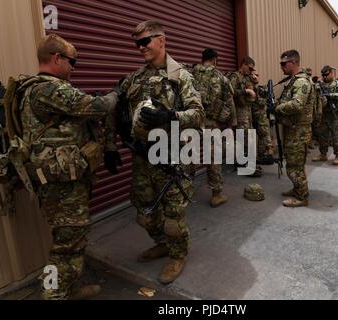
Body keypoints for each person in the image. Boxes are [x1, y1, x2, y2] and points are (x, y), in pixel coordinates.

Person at [19, 34, 119, 300]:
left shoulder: (42, 89)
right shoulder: (47, 88)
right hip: (61, 184)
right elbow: (97, 107)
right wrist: (115, 95)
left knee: (69, 237)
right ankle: (53, 293)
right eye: (71, 61)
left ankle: (70, 287)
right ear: (56, 58)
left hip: (64, 179)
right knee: (66, 245)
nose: (74, 67)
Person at [106, 20, 204, 285]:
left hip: (173, 158)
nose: (140, 48)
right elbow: (114, 109)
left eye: (145, 41)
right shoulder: (135, 78)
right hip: (142, 157)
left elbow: (198, 114)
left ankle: (177, 254)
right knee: (144, 213)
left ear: (161, 40)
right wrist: (110, 145)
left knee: (173, 217)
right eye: (137, 43)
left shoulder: (180, 76)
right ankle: (162, 243)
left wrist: (170, 114)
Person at [193, 48, 235, 207]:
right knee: (213, 158)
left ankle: (184, 190)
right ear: (215, 59)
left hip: (192, 121)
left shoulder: (191, 73)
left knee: (187, 155)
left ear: (202, 59)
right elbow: (229, 103)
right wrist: (229, 124)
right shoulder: (221, 77)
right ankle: (216, 194)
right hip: (211, 124)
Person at [273, 50, 314, 208]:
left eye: (284, 63)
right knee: (295, 163)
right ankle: (298, 188)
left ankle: (302, 197)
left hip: (298, 131)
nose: (281, 67)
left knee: (294, 166)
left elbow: (297, 105)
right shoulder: (293, 81)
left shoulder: (301, 82)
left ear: (294, 62)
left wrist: (277, 108)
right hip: (293, 129)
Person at [229, 56, 262, 177]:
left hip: (248, 111)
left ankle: (247, 164)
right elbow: (230, 91)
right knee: (242, 138)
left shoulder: (248, 78)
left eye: (253, 68)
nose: (251, 70)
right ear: (243, 64)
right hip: (239, 111)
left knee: (249, 138)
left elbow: (256, 94)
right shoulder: (235, 76)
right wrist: (245, 91)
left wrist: (255, 82)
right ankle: (242, 165)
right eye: (250, 68)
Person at [312, 65, 338, 166]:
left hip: (335, 114)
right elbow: (314, 95)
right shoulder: (319, 84)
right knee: (322, 135)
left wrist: (331, 95)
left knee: (336, 136)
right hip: (323, 114)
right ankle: (323, 154)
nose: (324, 77)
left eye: (326, 75)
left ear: (331, 73)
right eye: (323, 75)